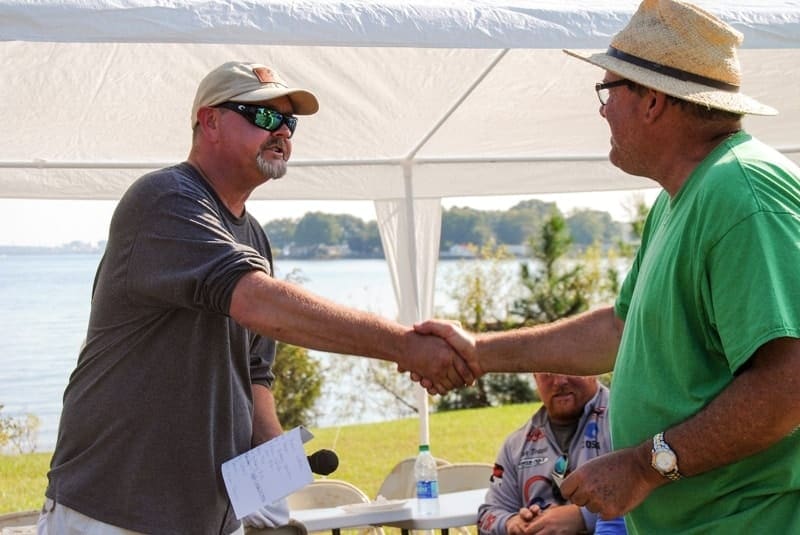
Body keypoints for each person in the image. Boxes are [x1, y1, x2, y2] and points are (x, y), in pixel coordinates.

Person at [38, 61, 478, 535]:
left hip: (208, 517)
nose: (282, 134)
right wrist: (405, 345)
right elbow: (258, 301)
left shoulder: (254, 236)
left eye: (289, 123)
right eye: (263, 116)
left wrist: (272, 486)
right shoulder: (164, 198)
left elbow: (254, 374)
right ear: (209, 121)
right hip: (113, 511)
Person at [416, 0, 800, 533]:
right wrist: (480, 352)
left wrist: (647, 464)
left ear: (653, 100)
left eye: (608, 90)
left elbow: (789, 384)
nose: (601, 110)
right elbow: (622, 328)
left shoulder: (742, 192)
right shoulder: (683, 196)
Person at [478, 373, 624, 535]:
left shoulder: (624, 421)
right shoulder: (515, 445)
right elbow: (488, 514)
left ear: (592, 367)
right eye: (547, 373)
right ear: (534, 377)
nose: (560, 381)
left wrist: (582, 517)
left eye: (569, 368)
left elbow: (651, 494)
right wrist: (511, 523)